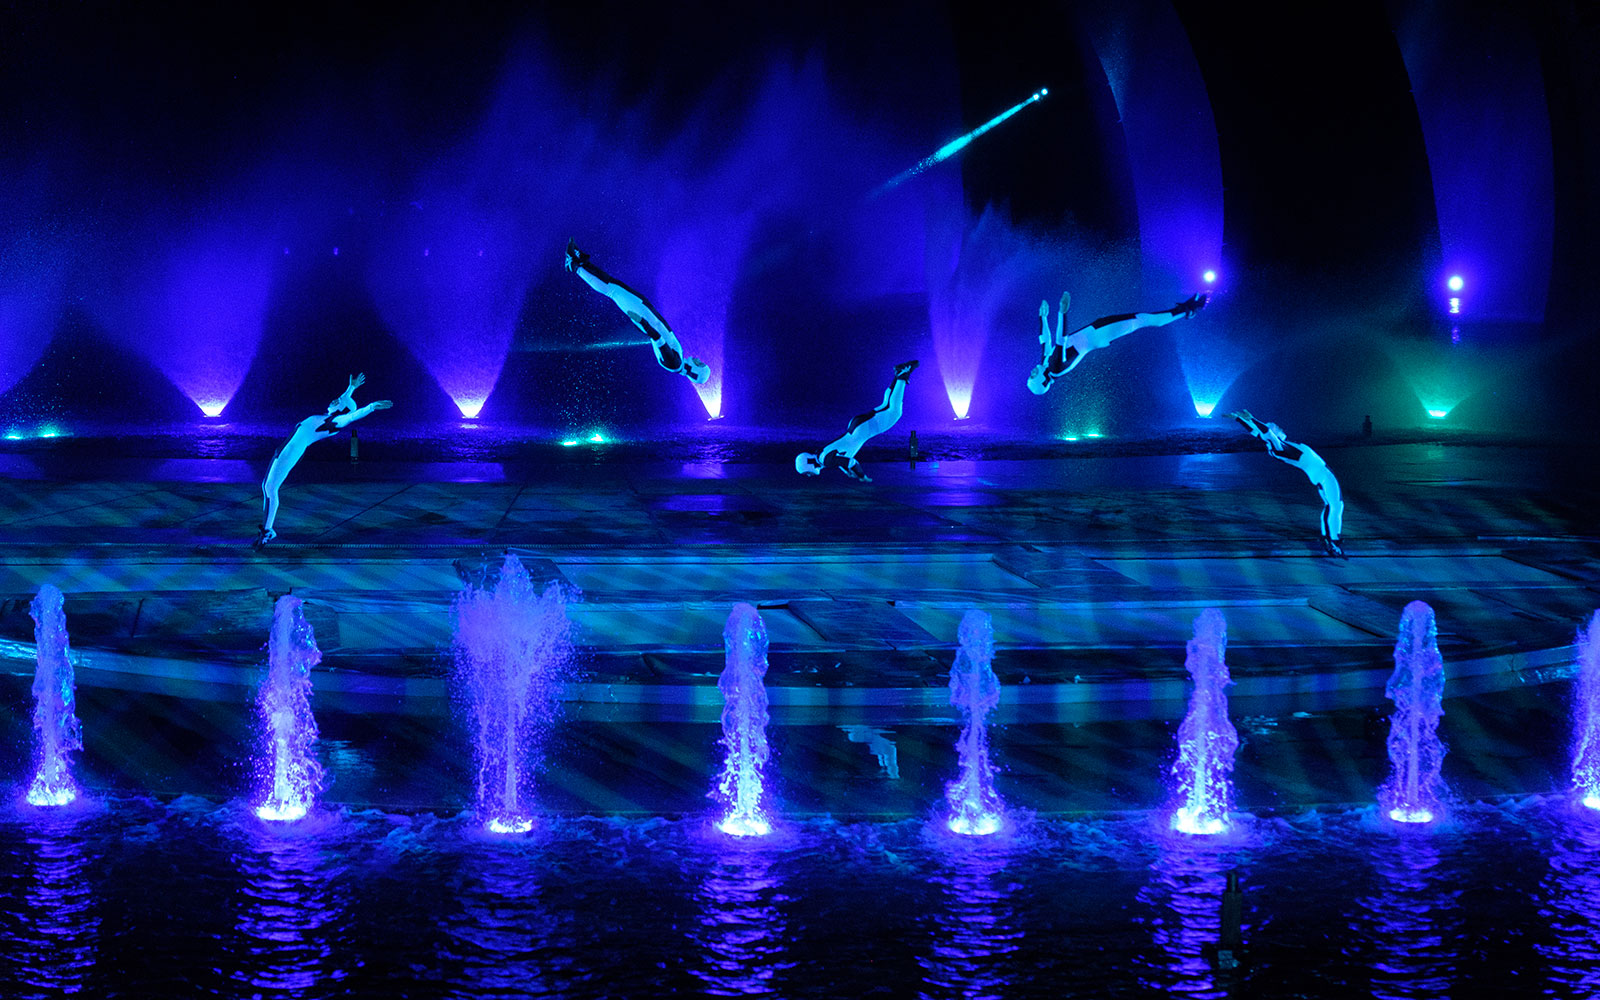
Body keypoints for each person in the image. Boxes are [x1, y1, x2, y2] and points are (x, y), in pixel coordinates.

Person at [254, 374, 392, 548]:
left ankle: (268, 531)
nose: (335, 400)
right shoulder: (325, 417)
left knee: (270, 489)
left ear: (341, 411)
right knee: (266, 487)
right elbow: (343, 400)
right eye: (336, 400)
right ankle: (268, 530)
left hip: (289, 454)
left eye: (338, 403)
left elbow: (352, 415)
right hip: (283, 451)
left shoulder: (334, 422)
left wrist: (371, 407)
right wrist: (352, 388)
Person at [565, 238, 710, 384]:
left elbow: (659, 339)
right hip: (646, 313)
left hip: (644, 315)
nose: (698, 360)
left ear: (695, 371)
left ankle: (574, 265)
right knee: (614, 285)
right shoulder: (677, 361)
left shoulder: (675, 364)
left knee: (612, 289)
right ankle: (579, 261)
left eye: (700, 364)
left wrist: (643, 323)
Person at [1029, 291, 1208, 394]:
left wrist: (1042, 316)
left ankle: (1185, 309)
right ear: (1041, 380)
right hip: (1100, 334)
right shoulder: (1055, 368)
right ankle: (1187, 310)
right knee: (1142, 319)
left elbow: (1045, 340)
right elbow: (1061, 340)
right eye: (1032, 376)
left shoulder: (1047, 363)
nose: (1031, 372)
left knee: (1142, 319)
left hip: (1097, 330)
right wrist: (1062, 313)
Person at [1229, 410, 1345, 557]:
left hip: (1320, 476)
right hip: (1324, 476)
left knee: (1330, 506)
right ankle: (1334, 541)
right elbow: (1267, 433)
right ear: (1274, 433)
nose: (1279, 427)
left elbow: (1258, 433)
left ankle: (1327, 538)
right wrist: (1253, 418)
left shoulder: (1278, 447)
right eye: (1276, 427)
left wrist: (1239, 419)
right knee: (1336, 506)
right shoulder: (1281, 447)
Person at [795, 361, 918, 482]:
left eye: (807, 473)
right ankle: (898, 374)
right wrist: (847, 471)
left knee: (895, 412)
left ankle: (902, 375)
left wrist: (861, 476)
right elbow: (840, 458)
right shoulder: (821, 454)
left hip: (863, 431)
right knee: (885, 405)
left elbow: (852, 462)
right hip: (854, 425)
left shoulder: (826, 460)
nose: (809, 475)